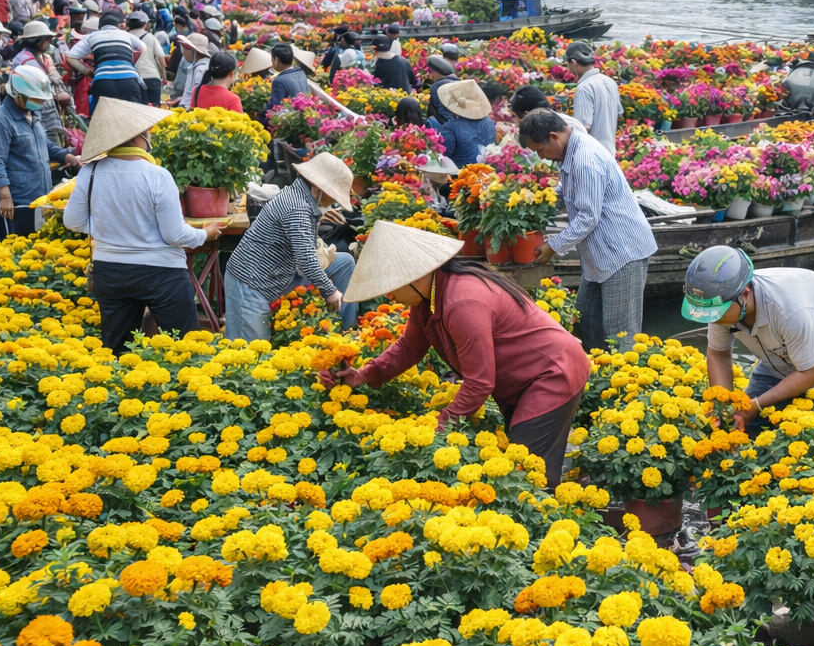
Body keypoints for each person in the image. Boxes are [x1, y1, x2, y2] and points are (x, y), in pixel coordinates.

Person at [322, 221, 590, 484]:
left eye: (390, 286)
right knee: (520, 467)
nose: (388, 296)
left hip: (552, 373)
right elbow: (409, 347)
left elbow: (479, 382)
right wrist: (363, 375)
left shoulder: (462, 301)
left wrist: (440, 428)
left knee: (526, 475)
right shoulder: (427, 298)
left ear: (415, 275)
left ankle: (549, 510)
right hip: (524, 376)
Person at [62, 99, 222, 353]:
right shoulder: (157, 175)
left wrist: (111, 228)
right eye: (148, 132)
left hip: (110, 272)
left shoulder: (90, 172)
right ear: (138, 137)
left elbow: (73, 221)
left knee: (117, 352)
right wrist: (205, 234)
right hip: (162, 275)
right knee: (185, 351)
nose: (150, 137)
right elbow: (174, 234)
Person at [684, 246, 814, 426]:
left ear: (745, 294)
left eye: (718, 312)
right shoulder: (719, 305)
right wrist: (723, 406)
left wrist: (757, 405)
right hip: (781, 360)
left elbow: (813, 372)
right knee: (740, 423)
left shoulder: (791, 310)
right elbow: (718, 354)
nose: (713, 318)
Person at [522, 109, 657, 352]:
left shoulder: (585, 158)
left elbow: (587, 218)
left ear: (554, 137)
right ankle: (594, 370)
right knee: (586, 318)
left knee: (620, 335)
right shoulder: (568, 152)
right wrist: (538, 204)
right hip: (599, 255)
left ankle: (623, 374)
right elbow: (567, 191)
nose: (542, 158)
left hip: (622, 252)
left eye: (540, 150)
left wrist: (553, 246)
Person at [222, 152, 359, 343]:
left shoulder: (301, 195)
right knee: (253, 352)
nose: (334, 201)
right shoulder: (298, 207)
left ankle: (344, 333)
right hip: (251, 283)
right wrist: (330, 291)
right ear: (320, 188)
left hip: (280, 271)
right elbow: (306, 260)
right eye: (334, 195)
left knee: (345, 263)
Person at [0, 64, 80, 236]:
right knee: (17, 247)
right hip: (17, 201)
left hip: (39, 197)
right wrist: (5, 197)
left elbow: (46, 145)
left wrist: (67, 156)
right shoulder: (0, 120)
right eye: (36, 98)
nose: (41, 102)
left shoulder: (33, 114)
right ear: (17, 95)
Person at [66, 9, 147, 110]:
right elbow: (142, 47)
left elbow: (70, 57)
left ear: (99, 26)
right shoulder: (125, 35)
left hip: (103, 81)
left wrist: (88, 72)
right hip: (129, 80)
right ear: (118, 25)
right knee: (133, 114)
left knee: (104, 116)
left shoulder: (92, 36)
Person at [9, 21, 71, 146]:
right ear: (37, 41)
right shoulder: (29, 62)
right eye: (47, 39)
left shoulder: (28, 56)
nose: (49, 42)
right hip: (41, 117)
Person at [566, 41, 621, 153]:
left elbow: (583, 128)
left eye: (568, 65)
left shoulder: (584, 87)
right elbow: (619, 113)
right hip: (610, 151)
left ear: (574, 63)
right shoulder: (610, 82)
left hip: (591, 154)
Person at [429, 79, 497, 169]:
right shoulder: (490, 122)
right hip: (487, 171)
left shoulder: (451, 127)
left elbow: (443, 156)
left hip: (461, 173)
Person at [126, 10, 167, 106]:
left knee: (136, 108)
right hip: (152, 77)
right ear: (145, 23)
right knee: (154, 109)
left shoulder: (125, 37)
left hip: (132, 78)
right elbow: (161, 60)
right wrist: (164, 78)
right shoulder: (151, 37)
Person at [266, 43, 314, 115]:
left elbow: (274, 108)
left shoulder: (279, 81)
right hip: (306, 114)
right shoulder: (301, 72)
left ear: (276, 59)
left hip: (290, 117)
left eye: (272, 59)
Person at [176, 32, 212, 108]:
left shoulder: (200, 69)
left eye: (186, 49)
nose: (183, 52)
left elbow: (198, 95)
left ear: (193, 51)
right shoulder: (196, 66)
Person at [424, 54, 456, 121]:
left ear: (435, 71)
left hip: (444, 123)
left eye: (431, 71)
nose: (431, 75)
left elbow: (431, 111)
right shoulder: (457, 82)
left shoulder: (436, 87)